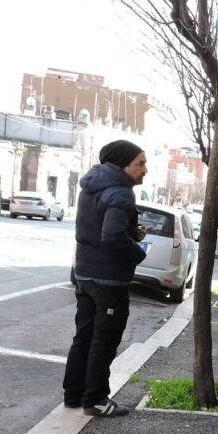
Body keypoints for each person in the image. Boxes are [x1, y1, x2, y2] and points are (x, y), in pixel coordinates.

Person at [63, 140, 148, 417]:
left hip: (85, 274)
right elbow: (111, 235)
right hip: (108, 281)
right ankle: (96, 399)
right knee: (104, 340)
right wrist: (137, 253)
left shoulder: (91, 187)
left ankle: (74, 396)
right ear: (123, 165)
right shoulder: (121, 193)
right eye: (140, 163)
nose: (145, 170)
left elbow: (100, 229)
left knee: (84, 337)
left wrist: (132, 234)